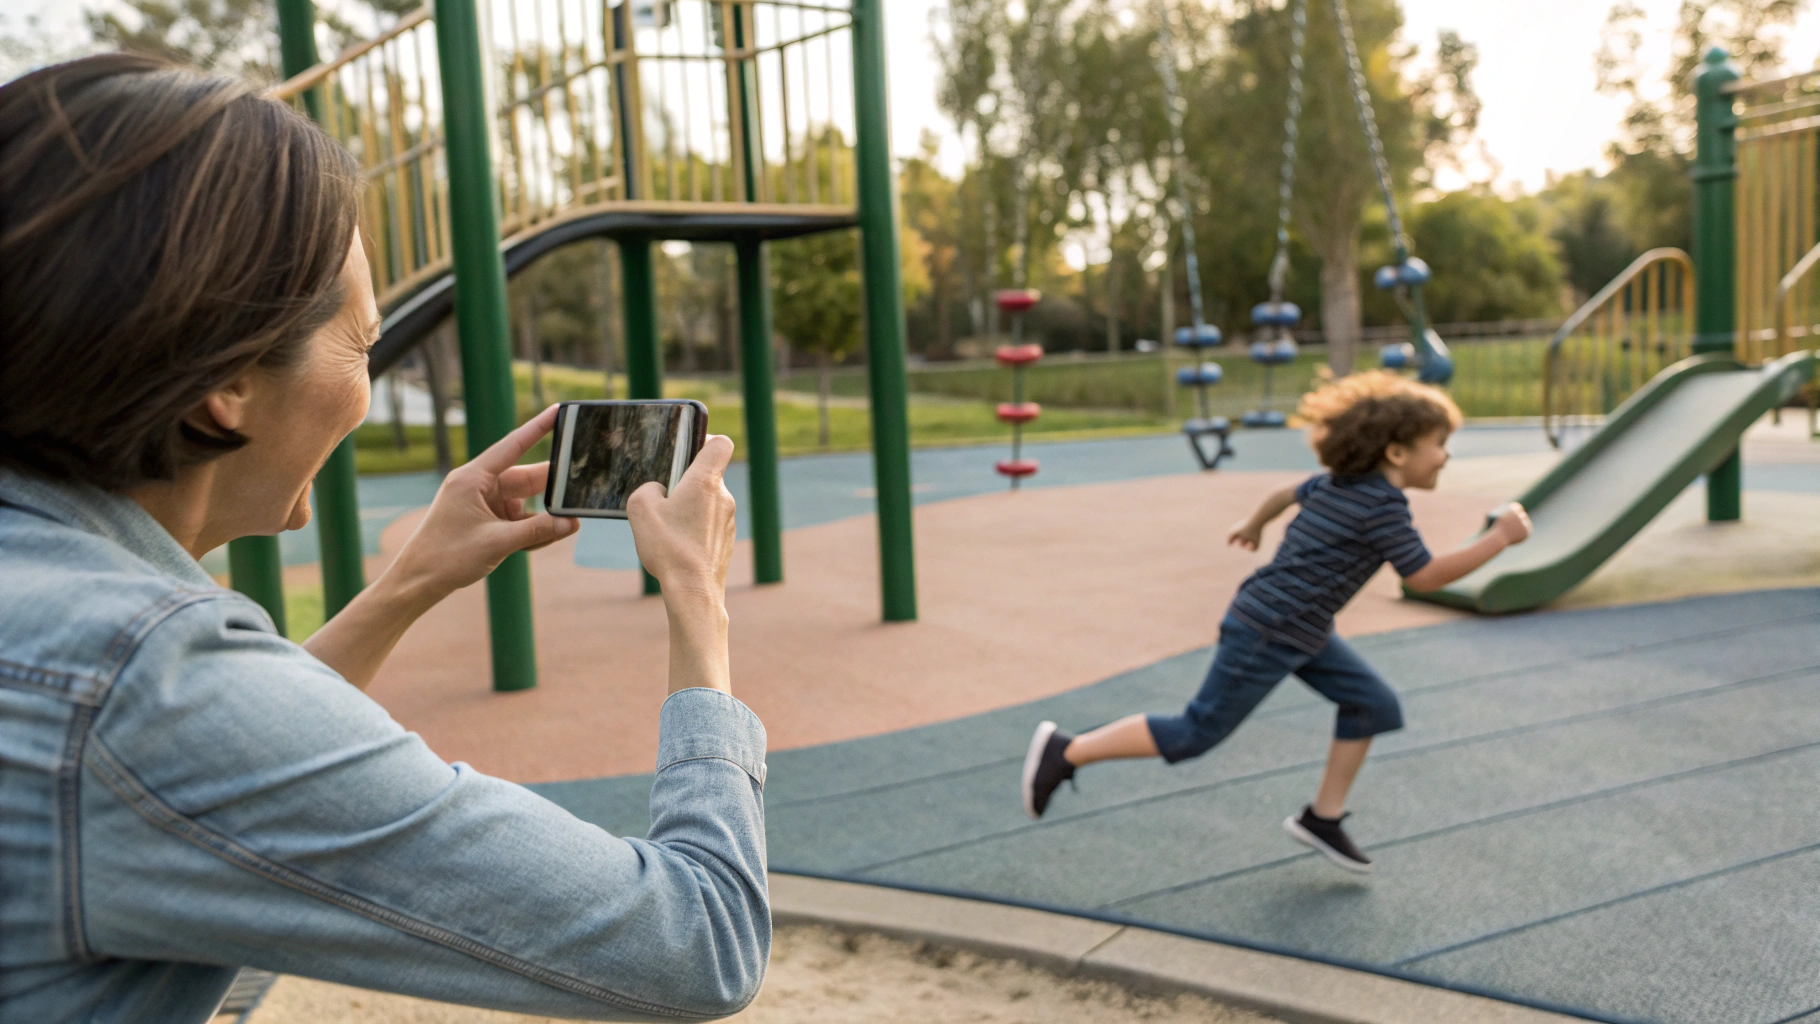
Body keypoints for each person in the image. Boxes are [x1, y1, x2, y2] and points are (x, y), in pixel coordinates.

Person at [0, 54, 768, 1023]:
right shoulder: (142, 686)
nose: (364, 393)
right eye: (362, 347)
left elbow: (204, 771)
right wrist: (698, 605)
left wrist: (409, 581)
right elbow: (698, 940)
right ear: (227, 382)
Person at [1021, 371, 1533, 873]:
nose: (1446, 454)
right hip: (1271, 628)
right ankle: (1069, 750)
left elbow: (1286, 493)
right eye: (1440, 443)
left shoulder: (1338, 483)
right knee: (1195, 731)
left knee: (1371, 703)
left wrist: (1253, 524)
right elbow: (1423, 576)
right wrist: (1500, 538)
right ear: (1398, 453)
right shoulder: (1381, 507)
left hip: (1297, 627)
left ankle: (1322, 818)